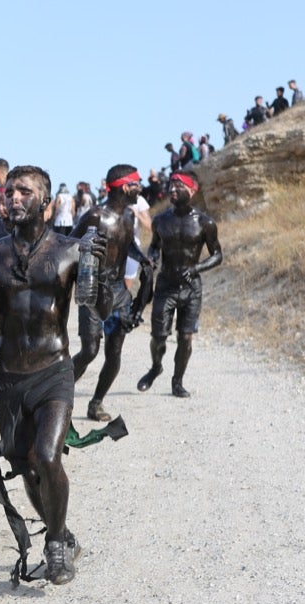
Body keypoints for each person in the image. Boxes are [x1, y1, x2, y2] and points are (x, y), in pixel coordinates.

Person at [0, 165, 109, 584]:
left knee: (46, 457)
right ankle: (61, 533)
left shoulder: (69, 251)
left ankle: (55, 545)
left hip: (53, 372)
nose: (13, 198)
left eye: (23, 191)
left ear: (45, 202)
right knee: (25, 466)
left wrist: (97, 275)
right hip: (9, 379)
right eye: (9, 191)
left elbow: (98, 309)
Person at [70, 165, 149, 422]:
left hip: (119, 293)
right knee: (89, 351)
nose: (141, 188)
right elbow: (68, 244)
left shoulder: (129, 216)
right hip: (94, 290)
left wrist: (144, 260)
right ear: (125, 187)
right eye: (137, 184)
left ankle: (96, 403)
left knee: (114, 353)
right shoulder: (94, 217)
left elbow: (130, 246)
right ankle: (56, 395)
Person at [137, 171, 223, 398]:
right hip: (166, 285)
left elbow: (217, 256)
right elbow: (155, 246)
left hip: (191, 287)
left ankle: (177, 382)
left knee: (185, 337)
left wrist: (196, 268)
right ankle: (156, 367)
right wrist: (152, 257)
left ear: (192, 190)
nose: (172, 190)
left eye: (178, 186)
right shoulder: (160, 220)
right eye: (171, 186)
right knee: (158, 336)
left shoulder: (205, 223)